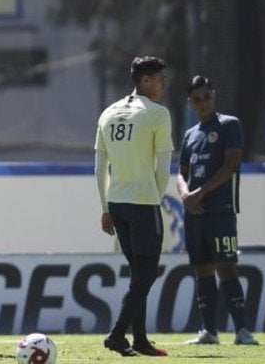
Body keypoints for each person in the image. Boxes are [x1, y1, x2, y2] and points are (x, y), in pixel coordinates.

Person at [95, 56, 174, 357]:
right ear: (144, 81)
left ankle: (139, 340)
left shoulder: (108, 112)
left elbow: (100, 167)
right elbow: (164, 167)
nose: (163, 83)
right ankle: (117, 335)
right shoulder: (157, 114)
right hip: (144, 202)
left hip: (116, 203)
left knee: (138, 273)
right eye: (158, 78)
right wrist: (155, 197)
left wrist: (104, 207)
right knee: (146, 274)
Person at [176, 75, 258, 346]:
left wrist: (201, 192)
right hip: (195, 213)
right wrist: (185, 194)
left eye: (206, 97)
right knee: (202, 270)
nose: (203, 104)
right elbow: (181, 172)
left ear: (214, 94)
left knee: (226, 267)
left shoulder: (229, 125)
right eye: (197, 100)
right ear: (190, 103)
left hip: (221, 211)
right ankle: (208, 331)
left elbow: (231, 164)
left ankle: (243, 331)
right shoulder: (190, 134)